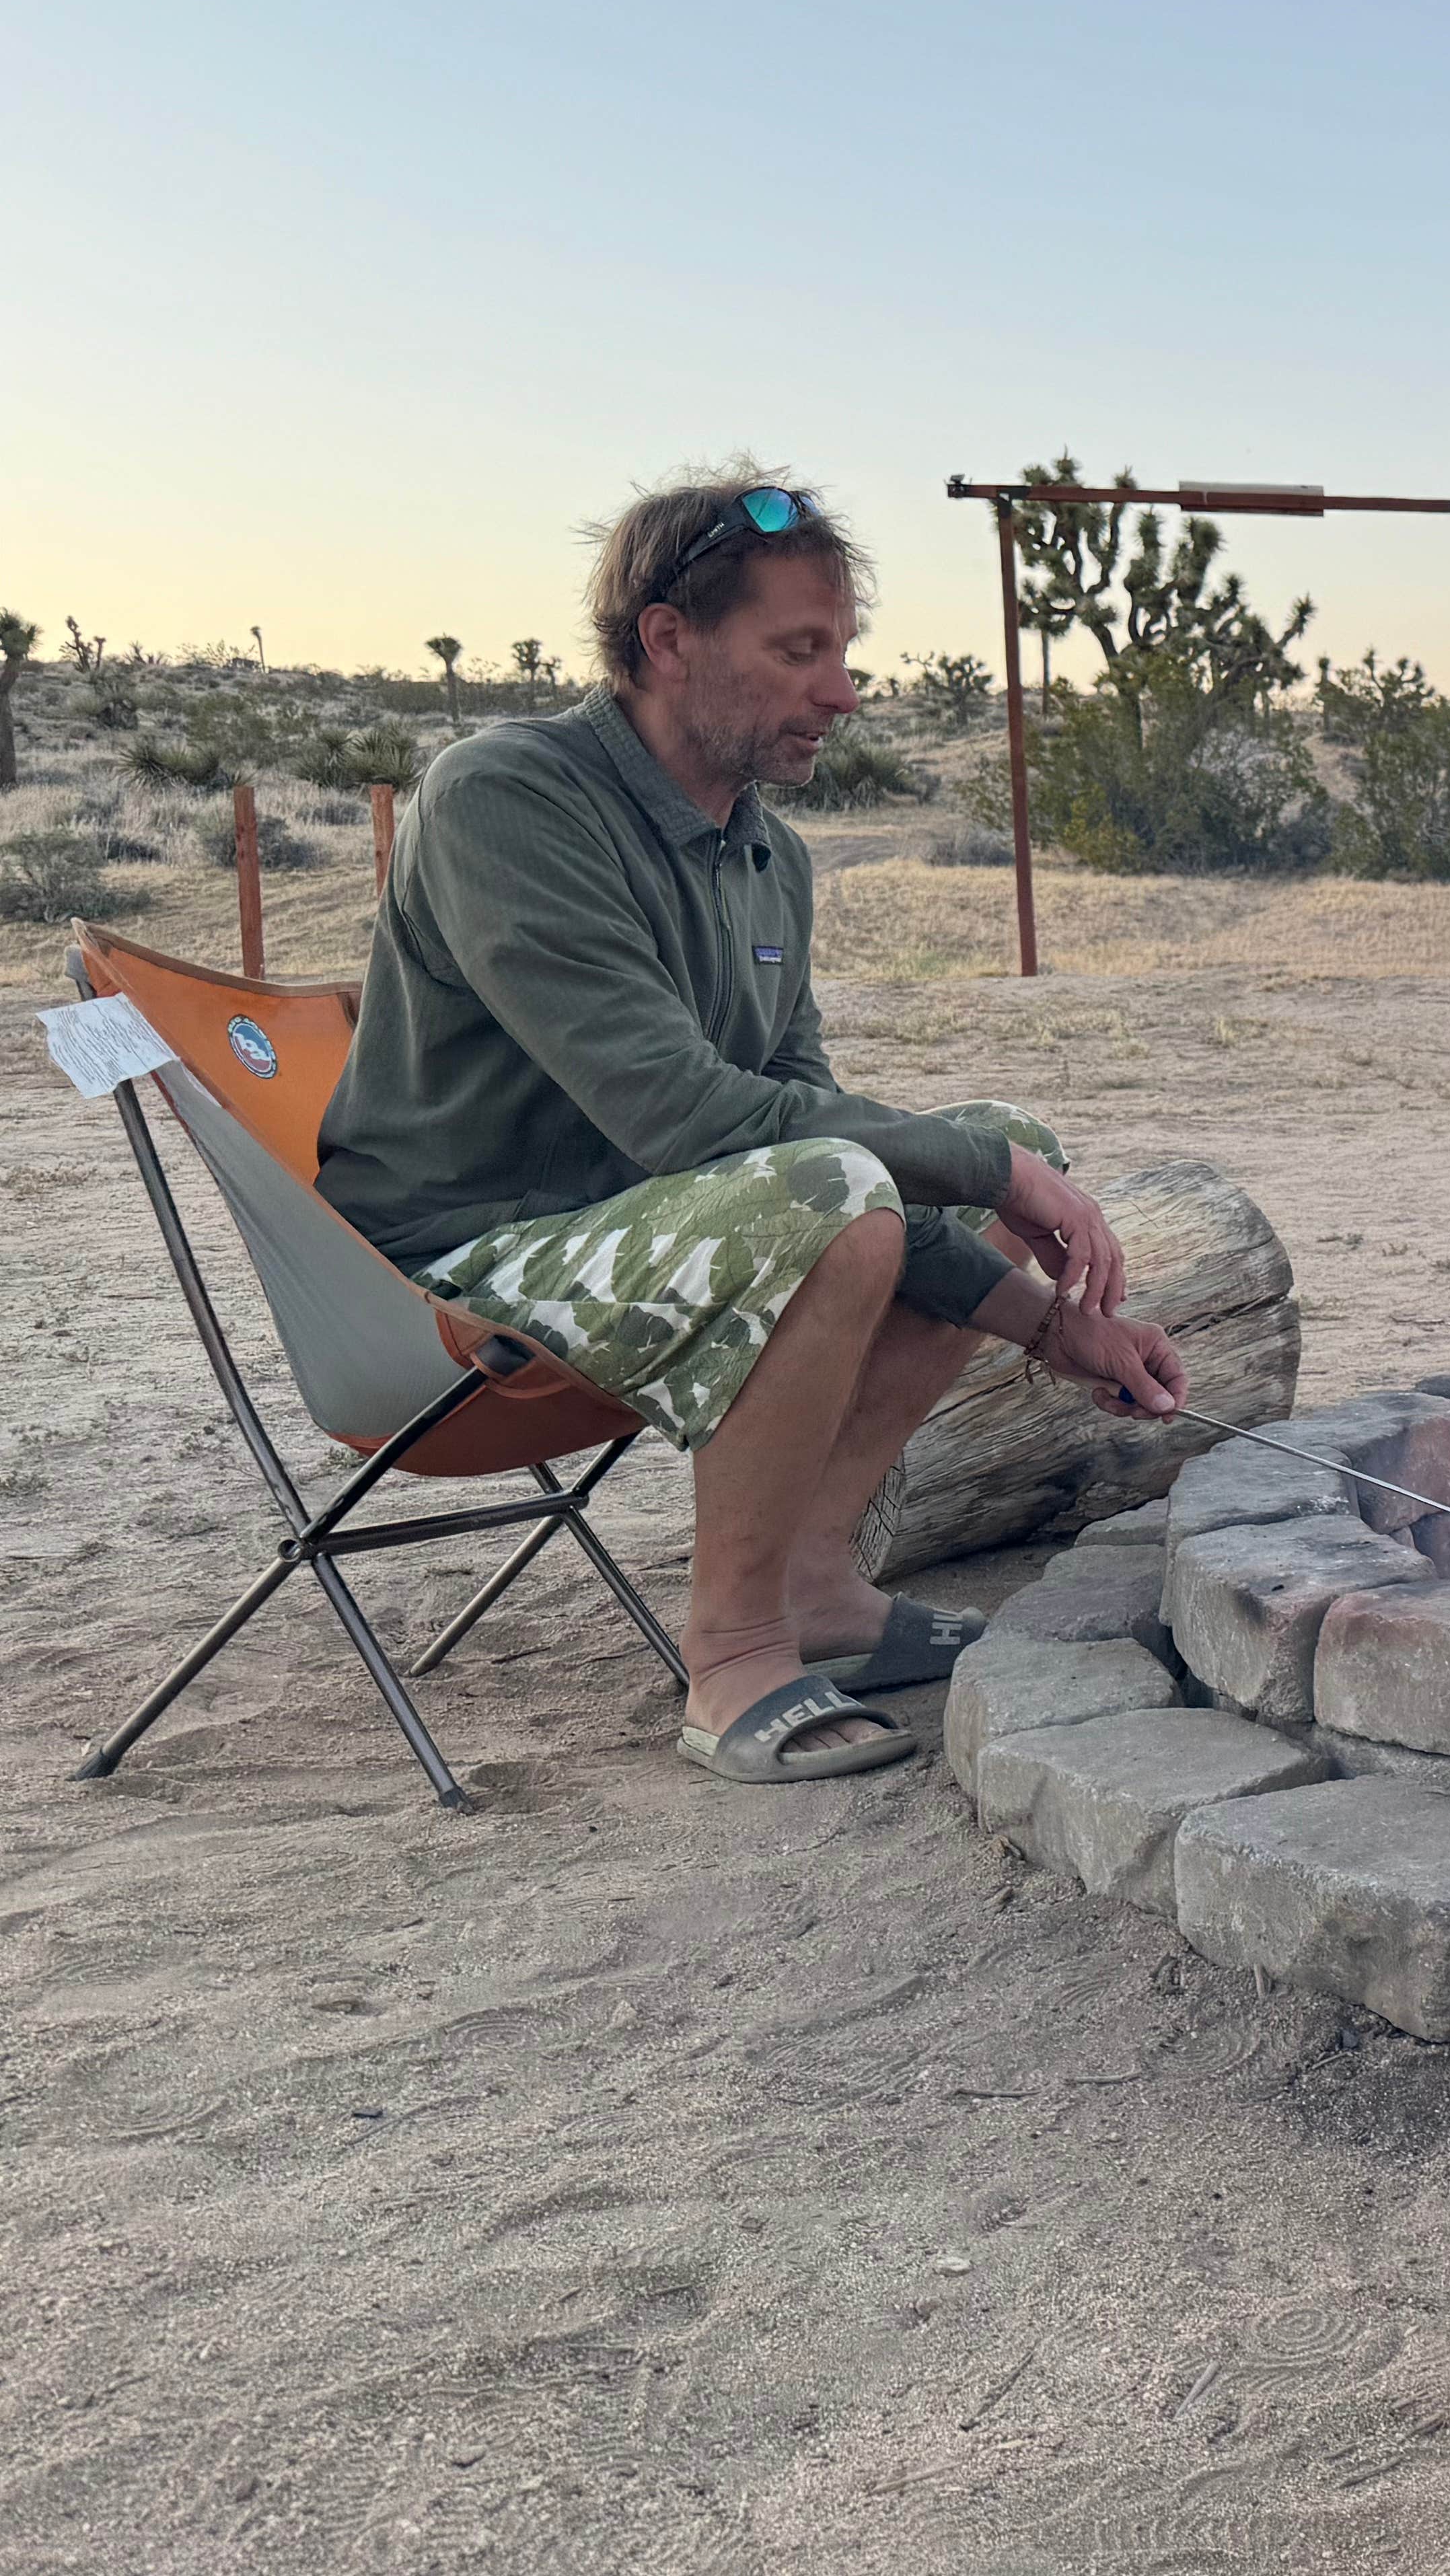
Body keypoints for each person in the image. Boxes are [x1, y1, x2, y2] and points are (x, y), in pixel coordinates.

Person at [317, 469, 1188, 1783]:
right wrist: (980, 1170)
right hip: (458, 1270)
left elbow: (814, 1134)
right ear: (669, 641)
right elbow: (689, 1117)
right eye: (799, 651)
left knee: (962, 1146)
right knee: (852, 1185)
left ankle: (820, 1589)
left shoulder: (769, 857)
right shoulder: (506, 799)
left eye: (841, 653)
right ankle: (732, 1665)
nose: (841, 693)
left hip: (654, 1225)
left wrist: (1061, 1328)